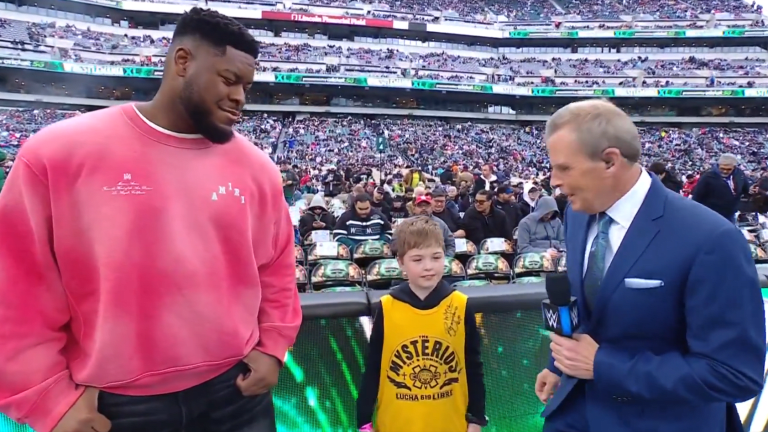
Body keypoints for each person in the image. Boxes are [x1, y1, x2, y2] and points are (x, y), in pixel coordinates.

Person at [0, 8, 303, 432]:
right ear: (183, 61)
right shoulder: (57, 153)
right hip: (115, 404)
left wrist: (273, 347)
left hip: (236, 390)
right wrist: (50, 400)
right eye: (229, 80)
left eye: (246, 87)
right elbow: (17, 287)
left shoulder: (257, 167)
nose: (240, 98)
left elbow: (276, 269)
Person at [537, 99, 765, 432]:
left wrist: (604, 366)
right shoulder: (577, 213)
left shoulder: (711, 238)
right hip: (574, 414)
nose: (553, 180)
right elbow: (588, 307)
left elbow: (733, 374)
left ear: (610, 161)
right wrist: (559, 366)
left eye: (564, 168)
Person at [355, 216, 487, 432]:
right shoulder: (386, 308)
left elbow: (474, 367)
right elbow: (373, 369)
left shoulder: (461, 306)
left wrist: (476, 418)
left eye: (436, 257)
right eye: (417, 260)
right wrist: (363, 421)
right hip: (397, 423)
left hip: (450, 423)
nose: (428, 267)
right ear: (401, 263)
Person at [692, 153, 755, 222]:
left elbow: (745, 188)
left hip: (730, 213)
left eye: (728, 169)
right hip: (712, 215)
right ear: (718, 165)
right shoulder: (707, 177)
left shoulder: (739, 174)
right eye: (722, 168)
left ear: (734, 167)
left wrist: (750, 190)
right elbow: (697, 196)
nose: (725, 171)